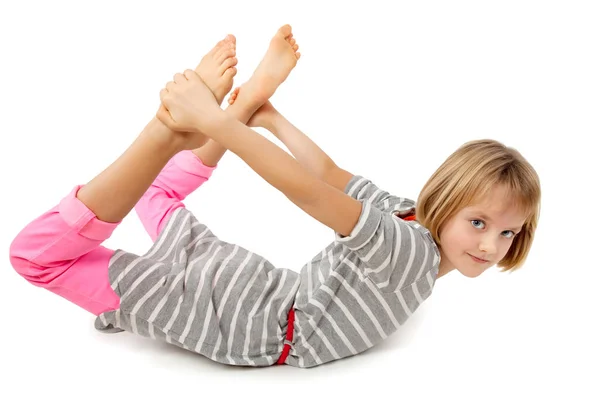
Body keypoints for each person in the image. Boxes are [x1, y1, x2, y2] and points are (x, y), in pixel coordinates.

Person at [8, 24, 541, 369]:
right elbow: (316, 183)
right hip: (241, 318)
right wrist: (251, 117)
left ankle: (193, 126)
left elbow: (324, 176)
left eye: (506, 231)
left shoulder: (408, 218)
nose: (492, 246)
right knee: (34, 257)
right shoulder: (409, 249)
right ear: (443, 203)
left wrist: (253, 115)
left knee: (158, 193)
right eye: (479, 223)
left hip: (254, 291)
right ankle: (167, 131)